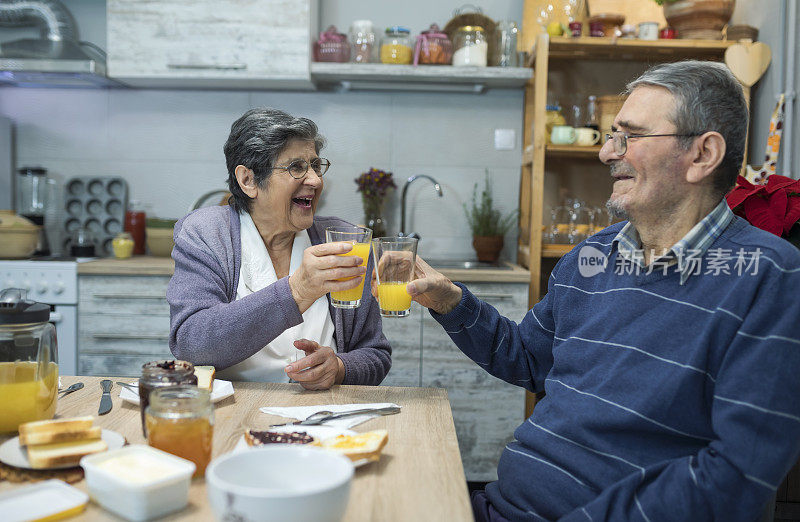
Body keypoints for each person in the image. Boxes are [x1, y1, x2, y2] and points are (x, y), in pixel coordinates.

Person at [392, 61, 800, 521]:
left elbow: (734, 476)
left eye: (630, 136)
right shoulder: (592, 257)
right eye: (611, 135)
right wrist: (450, 300)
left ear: (703, 154)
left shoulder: (770, 276)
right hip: (501, 507)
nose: (607, 153)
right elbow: (527, 359)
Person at [167, 108, 391, 389]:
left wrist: (341, 368)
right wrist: (297, 291)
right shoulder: (206, 234)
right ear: (248, 180)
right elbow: (192, 343)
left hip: (323, 418)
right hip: (232, 414)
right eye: (296, 167)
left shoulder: (345, 240)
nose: (316, 180)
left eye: (315, 166)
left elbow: (376, 354)